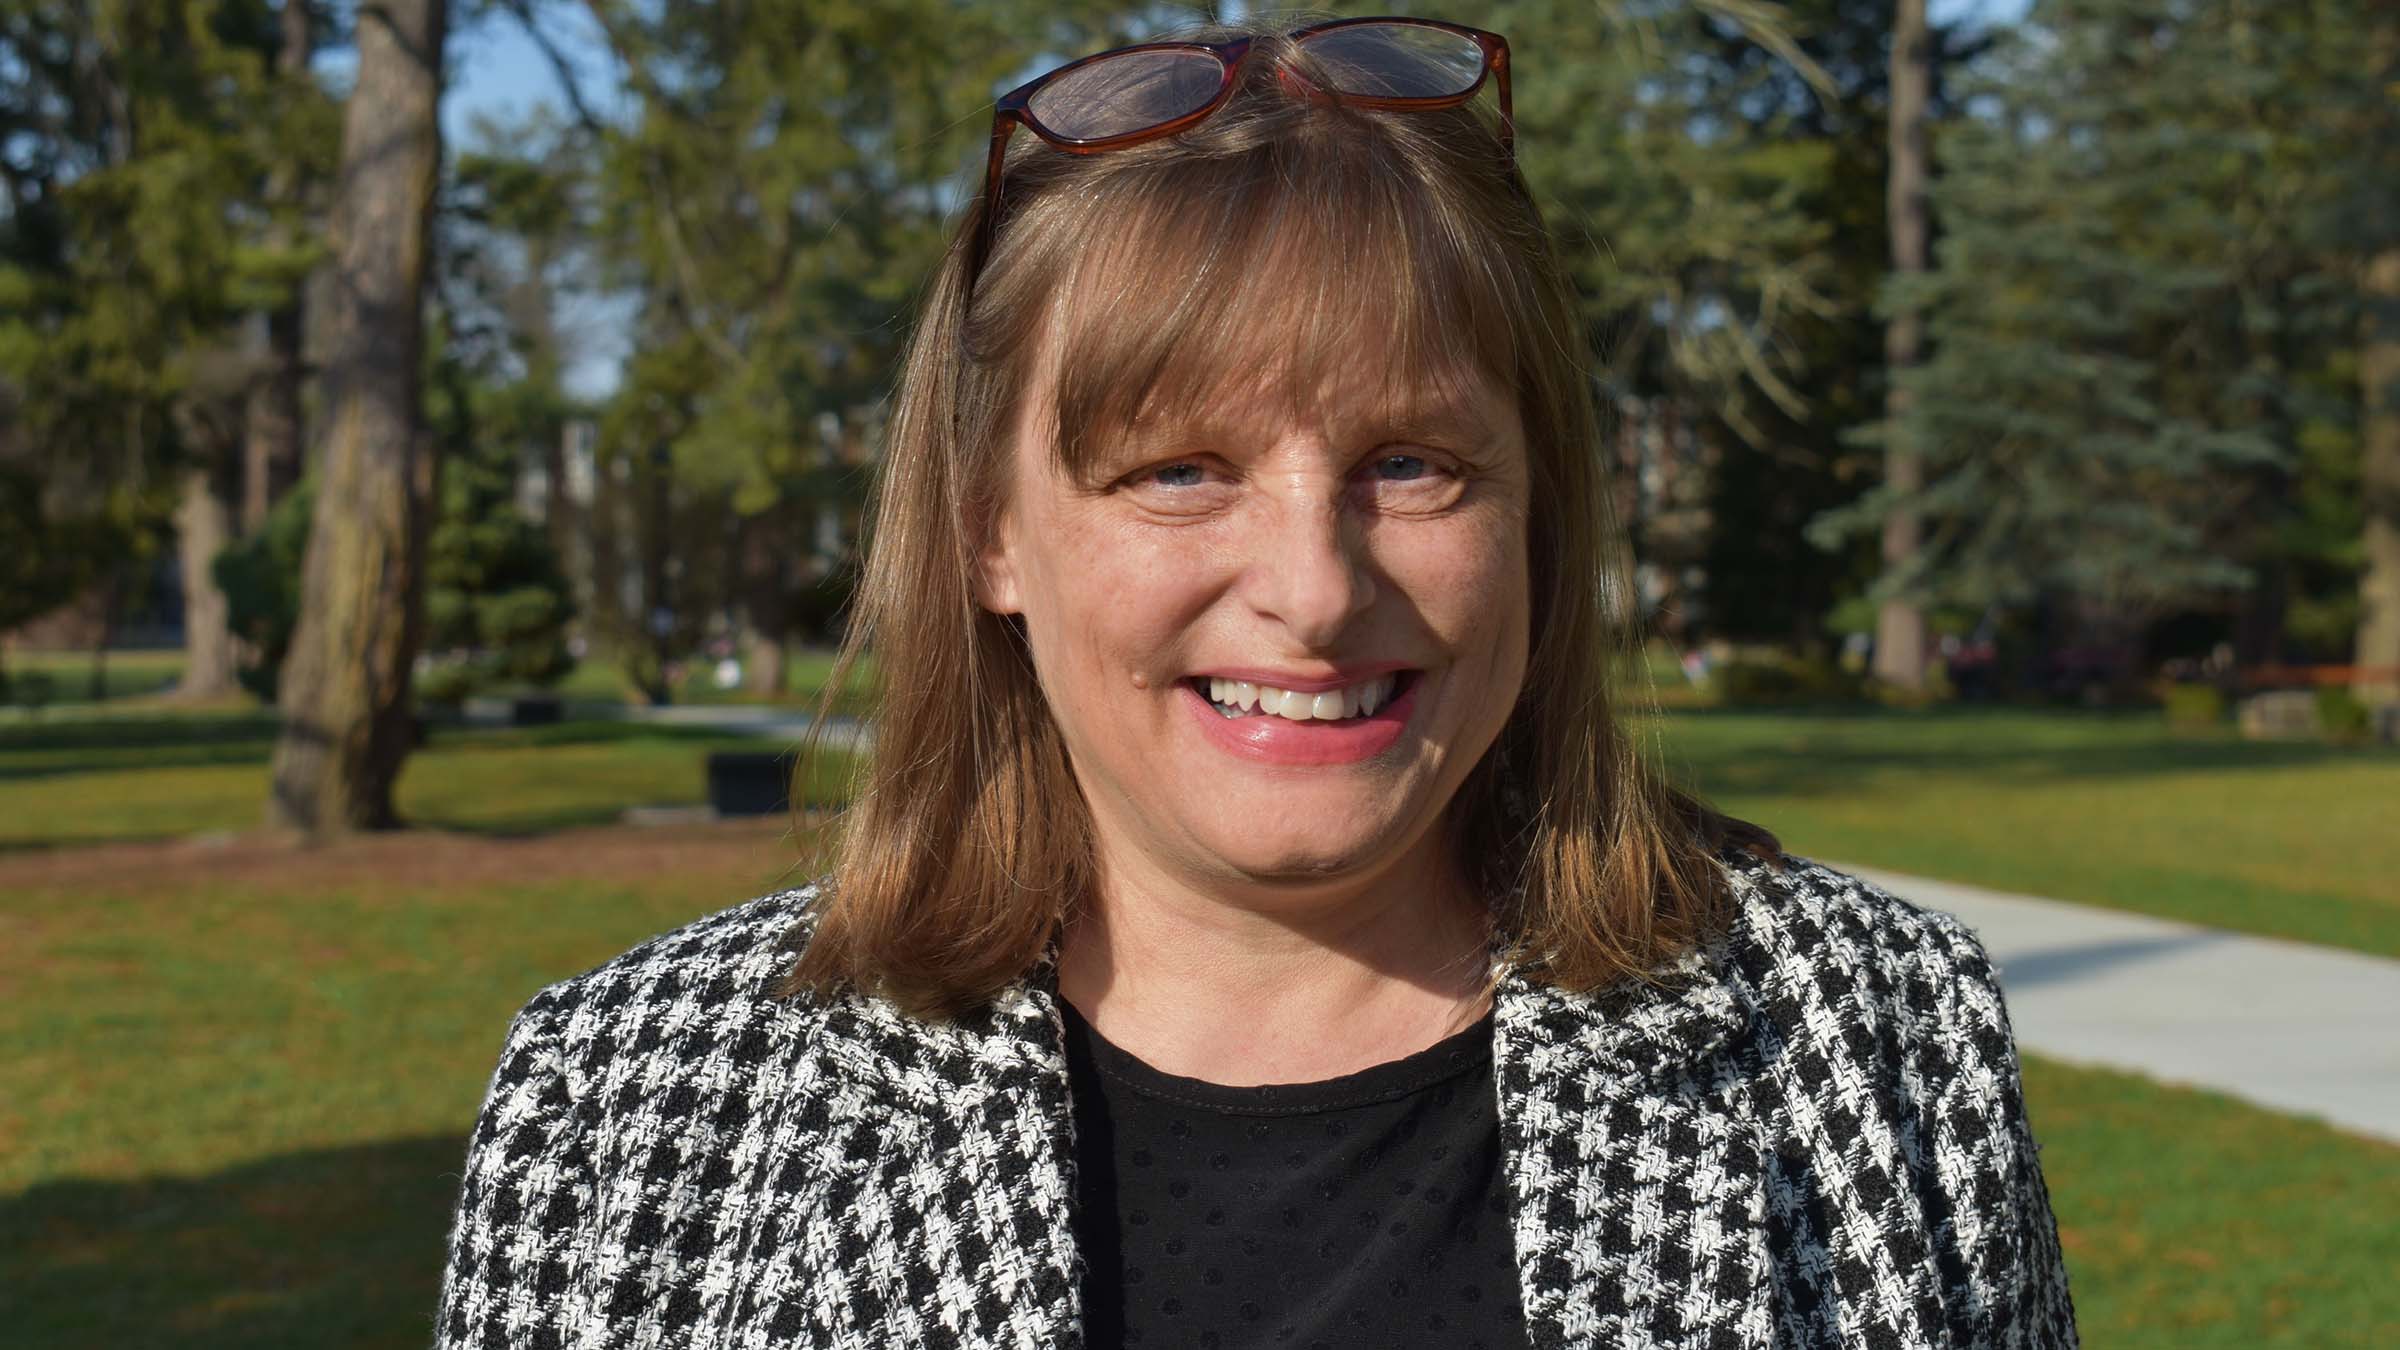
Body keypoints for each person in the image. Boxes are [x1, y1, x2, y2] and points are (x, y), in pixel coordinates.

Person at [436, 16, 2077, 1349]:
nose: (1311, 585)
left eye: (1416, 462)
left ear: (1539, 512)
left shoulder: (1868, 1037)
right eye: (1177, 471)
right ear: (989, 532)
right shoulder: (632, 1112)